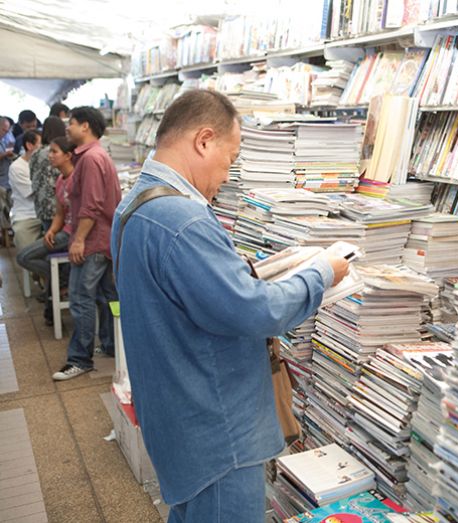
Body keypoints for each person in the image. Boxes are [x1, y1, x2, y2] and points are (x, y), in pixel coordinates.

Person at [110, 89, 349, 521]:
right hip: (217, 434)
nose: (228, 173)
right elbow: (255, 311)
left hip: (176, 420)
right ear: (204, 140)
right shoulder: (182, 219)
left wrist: (233, 271)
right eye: (231, 158)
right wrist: (322, 274)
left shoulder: (133, 206)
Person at [52, 107, 121, 381]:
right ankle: (111, 345)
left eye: (72, 123)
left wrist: (78, 239)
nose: (67, 128)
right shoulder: (94, 156)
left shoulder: (91, 159)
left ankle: (80, 359)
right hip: (103, 239)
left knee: (81, 298)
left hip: (93, 241)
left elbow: (90, 205)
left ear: (85, 127)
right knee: (107, 297)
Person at [17, 137, 76, 325]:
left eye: (54, 152)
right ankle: (60, 279)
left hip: (72, 234)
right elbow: (59, 213)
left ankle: (60, 281)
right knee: (25, 257)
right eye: (49, 151)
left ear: (68, 156)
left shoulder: (77, 179)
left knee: (24, 257)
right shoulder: (60, 179)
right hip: (62, 231)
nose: (49, 156)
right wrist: (51, 230)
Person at [30, 116, 66, 233]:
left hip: (41, 205)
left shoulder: (36, 153)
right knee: (59, 243)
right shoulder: (59, 153)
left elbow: (32, 176)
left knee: (49, 240)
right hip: (57, 207)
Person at [8, 130, 42, 250]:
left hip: (46, 215)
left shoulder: (46, 163)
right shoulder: (17, 167)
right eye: (41, 145)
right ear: (29, 145)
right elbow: (32, 192)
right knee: (26, 256)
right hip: (27, 216)